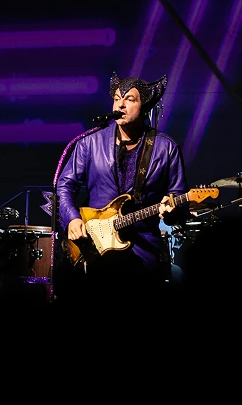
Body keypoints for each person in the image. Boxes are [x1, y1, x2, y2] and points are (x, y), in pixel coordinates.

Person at [54, 72, 191, 314]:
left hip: (143, 251)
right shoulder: (89, 143)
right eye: (117, 98)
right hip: (93, 247)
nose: (121, 104)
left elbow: (178, 200)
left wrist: (172, 210)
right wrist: (73, 218)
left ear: (145, 106)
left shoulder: (166, 148)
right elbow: (64, 186)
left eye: (130, 99)